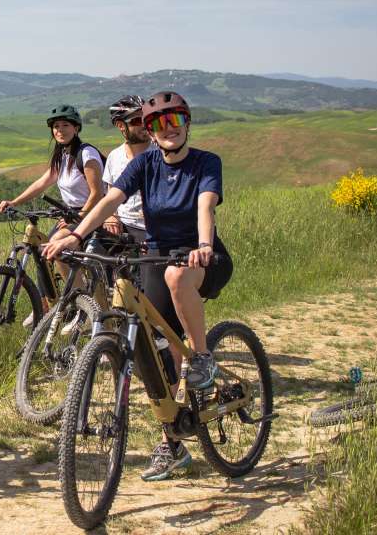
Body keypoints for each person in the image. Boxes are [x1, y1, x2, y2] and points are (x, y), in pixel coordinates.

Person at [44, 90, 234, 481]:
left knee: (178, 277)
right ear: (150, 130)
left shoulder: (205, 162)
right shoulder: (145, 164)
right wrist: (77, 236)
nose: (169, 130)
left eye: (176, 121)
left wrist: (202, 245)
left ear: (187, 123)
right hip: (158, 254)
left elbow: (205, 207)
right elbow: (110, 200)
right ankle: (172, 442)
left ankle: (202, 358)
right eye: (160, 124)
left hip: (201, 257)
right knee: (152, 350)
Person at [0, 105, 105, 330]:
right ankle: (50, 304)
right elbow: (42, 183)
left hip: (92, 214)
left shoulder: (86, 153)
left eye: (65, 125)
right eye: (56, 126)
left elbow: (98, 194)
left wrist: (80, 215)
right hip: (70, 214)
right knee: (44, 251)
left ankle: (82, 306)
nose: (60, 130)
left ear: (76, 128)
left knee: (58, 250)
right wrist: (15, 202)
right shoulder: (61, 155)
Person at [101, 95, 151, 244]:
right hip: (122, 227)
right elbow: (110, 195)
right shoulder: (114, 157)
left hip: (150, 229)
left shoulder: (160, 154)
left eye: (147, 119)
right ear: (120, 125)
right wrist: (111, 216)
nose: (144, 124)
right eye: (136, 120)